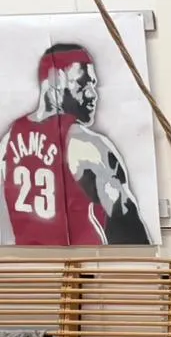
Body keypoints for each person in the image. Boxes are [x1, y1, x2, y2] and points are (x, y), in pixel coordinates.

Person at [2, 43, 151, 246]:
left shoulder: (8, 141)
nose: (92, 94)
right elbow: (127, 223)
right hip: (85, 262)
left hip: (33, 262)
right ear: (55, 80)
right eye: (83, 84)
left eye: (93, 85)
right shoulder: (87, 145)